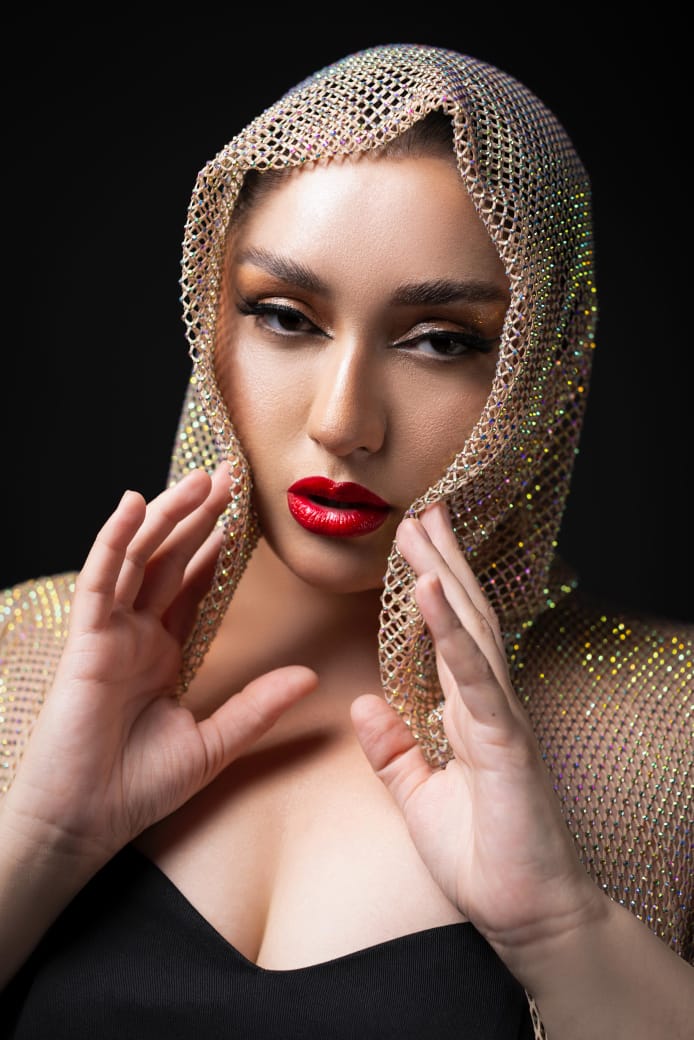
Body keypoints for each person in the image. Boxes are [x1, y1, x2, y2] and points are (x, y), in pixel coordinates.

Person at [0, 41, 691, 1039]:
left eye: (441, 340)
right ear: (213, 322)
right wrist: (42, 837)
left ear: (538, 369)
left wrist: (562, 928)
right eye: (286, 318)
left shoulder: (671, 733)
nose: (343, 421)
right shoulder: (21, 654)